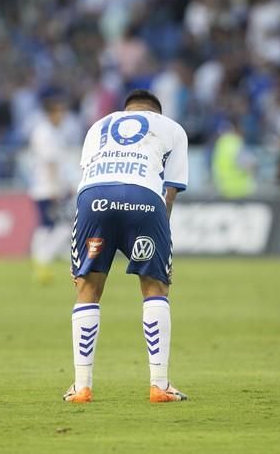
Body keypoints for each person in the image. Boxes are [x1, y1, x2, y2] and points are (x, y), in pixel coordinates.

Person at [64, 89, 189, 403]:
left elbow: (89, 174)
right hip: (144, 200)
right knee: (155, 289)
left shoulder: (99, 126)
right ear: (156, 113)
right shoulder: (172, 129)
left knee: (87, 289)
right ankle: (159, 385)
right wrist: (160, 234)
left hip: (94, 199)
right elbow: (169, 192)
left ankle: (81, 387)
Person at [27, 89, 81, 284]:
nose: (63, 116)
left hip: (45, 187)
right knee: (60, 226)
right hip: (47, 188)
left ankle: (38, 261)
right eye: (59, 112)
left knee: (46, 225)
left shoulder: (51, 132)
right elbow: (50, 163)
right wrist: (56, 189)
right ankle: (42, 261)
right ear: (50, 113)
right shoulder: (45, 133)